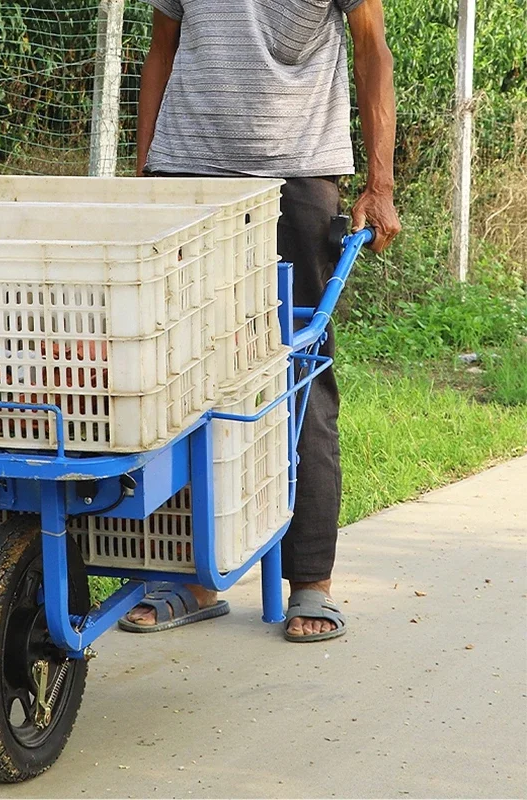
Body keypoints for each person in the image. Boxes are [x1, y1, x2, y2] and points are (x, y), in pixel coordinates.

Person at [119, 0, 401, 642]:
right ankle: (190, 578)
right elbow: (163, 47)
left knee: (300, 375)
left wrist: (379, 184)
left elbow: (372, 50)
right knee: (177, 378)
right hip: (187, 177)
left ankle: (310, 580)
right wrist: (145, 173)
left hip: (297, 178)